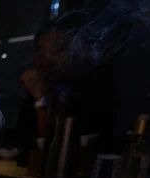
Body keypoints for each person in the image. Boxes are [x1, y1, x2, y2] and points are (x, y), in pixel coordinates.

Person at [17, 12, 118, 157]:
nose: (47, 60)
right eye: (42, 52)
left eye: (57, 50)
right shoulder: (38, 89)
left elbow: (55, 152)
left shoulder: (92, 93)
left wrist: (40, 100)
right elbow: (23, 143)